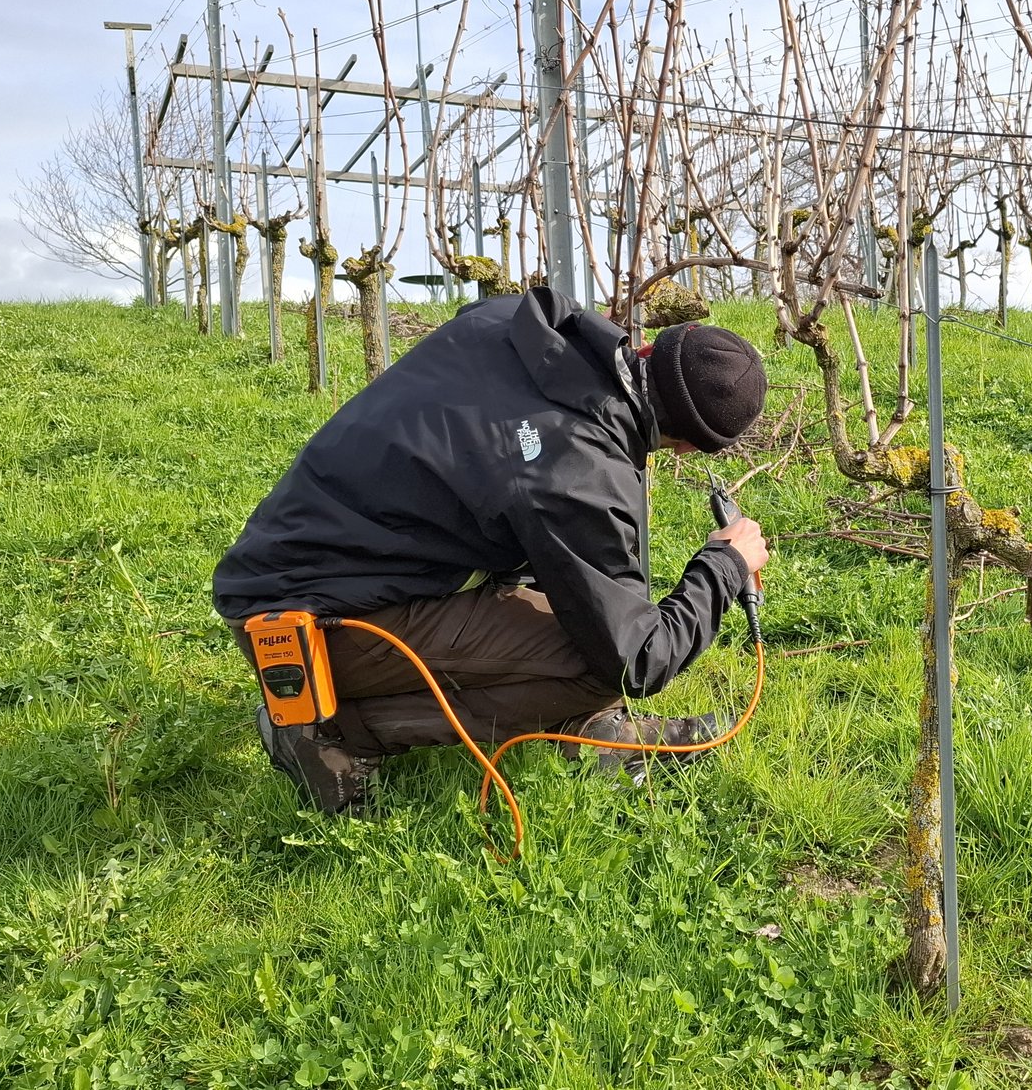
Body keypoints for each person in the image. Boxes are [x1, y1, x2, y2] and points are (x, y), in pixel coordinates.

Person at [212, 286, 770, 812]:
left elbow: (506, 450)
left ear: (650, 344)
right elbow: (638, 660)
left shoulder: (521, 323)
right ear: (695, 446)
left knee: (582, 607)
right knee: (597, 662)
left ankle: (600, 734)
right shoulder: (575, 470)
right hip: (303, 628)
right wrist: (724, 565)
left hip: (289, 571)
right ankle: (329, 732)